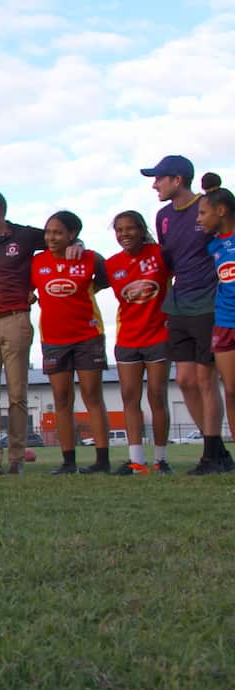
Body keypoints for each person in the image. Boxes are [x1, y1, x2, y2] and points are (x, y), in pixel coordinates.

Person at [0, 189, 77, 476]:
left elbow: (57, 238)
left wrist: (79, 243)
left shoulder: (24, 236)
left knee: (17, 393)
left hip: (15, 319)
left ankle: (16, 458)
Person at [142, 155, 231, 474]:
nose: (155, 185)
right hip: (178, 303)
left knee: (206, 379)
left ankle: (210, 454)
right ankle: (217, 450)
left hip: (208, 302)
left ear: (177, 179)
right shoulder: (163, 216)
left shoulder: (206, 207)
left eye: (159, 178)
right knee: (184, 380)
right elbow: (167, 259)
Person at [32, 211, 112, 474]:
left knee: (92, 396)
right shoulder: (37, 262)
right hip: (54, 340)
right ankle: (68, 462)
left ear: (72, 235)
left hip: (88, 336)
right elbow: (27, 290)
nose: (51, 237)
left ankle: (102, 461)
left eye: (57, 232)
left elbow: (104, 279)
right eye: (48, 232)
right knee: (61, 398)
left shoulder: (89, 258)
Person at [105, 210, 173, 475]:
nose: (124, 234)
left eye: (130, 228)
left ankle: (161, 459)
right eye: (119, 230)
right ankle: (136, 461)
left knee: (157, 395)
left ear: (142, 230)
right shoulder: (111, 264)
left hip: (159, 335)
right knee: (129, 397)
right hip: (127, 339)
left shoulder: (160, 254)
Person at [200, 189, 235, 451]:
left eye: (203, 213)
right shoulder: (212, 244)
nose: (199, 219)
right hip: (224, 321)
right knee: (231, 390)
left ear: (221, 211)